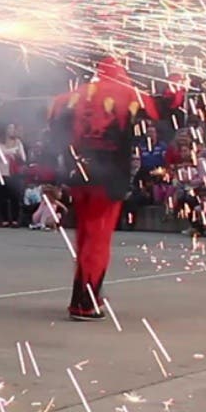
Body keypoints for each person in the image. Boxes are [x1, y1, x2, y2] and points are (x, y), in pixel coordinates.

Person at [48, 57, 185, 321]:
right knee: (98, 241)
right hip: (108, 179)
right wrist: (177, 77)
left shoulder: (71, 96)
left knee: (85, 239)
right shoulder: (128, 94)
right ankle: (85, 303)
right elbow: (166, 106)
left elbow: (53, 125)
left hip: (78, 177)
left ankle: (87, 294)